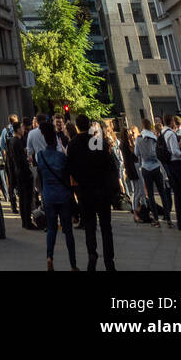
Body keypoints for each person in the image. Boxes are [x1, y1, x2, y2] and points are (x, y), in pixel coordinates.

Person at [66, 115, 116, 271]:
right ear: (88, 126)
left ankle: (92, 254)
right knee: (106, 227)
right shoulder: (97, 142)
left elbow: (70, 169)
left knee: (89, 226)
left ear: (77, 126)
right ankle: (109, 261)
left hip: (85, 191)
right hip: (101, 190)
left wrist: (80, 182)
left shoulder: (72, 145)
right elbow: (110, 165)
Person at [37, 120, 78, 272]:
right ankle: (73, 264)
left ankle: (49, 257)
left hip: (48, 196)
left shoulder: (40, 156)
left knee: (51, 229)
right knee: (68, 231)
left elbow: (41, 174)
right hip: (63, 196)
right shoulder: (62, 158)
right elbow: (68, 173)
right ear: (56, 141)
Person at [135, 118, 172, 226]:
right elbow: (156, 152)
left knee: (150, 195)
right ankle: (168, 218)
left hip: (146, 167)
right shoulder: (154, 137)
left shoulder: (139, 138)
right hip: (156, 166)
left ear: (142, 126)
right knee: (162, 192)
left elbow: (137, 152)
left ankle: (156, 220)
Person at [6, 121, 36, 230]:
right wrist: (27, 159)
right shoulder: (17, 141)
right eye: (22, 128)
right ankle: (27, 221)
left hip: (18, 172)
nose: (24, 130)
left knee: (23, 198)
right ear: (18, 129)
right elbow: (21, 159)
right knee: (26, 198)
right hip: (23, 172)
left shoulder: (12, 141)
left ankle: (25, 221)